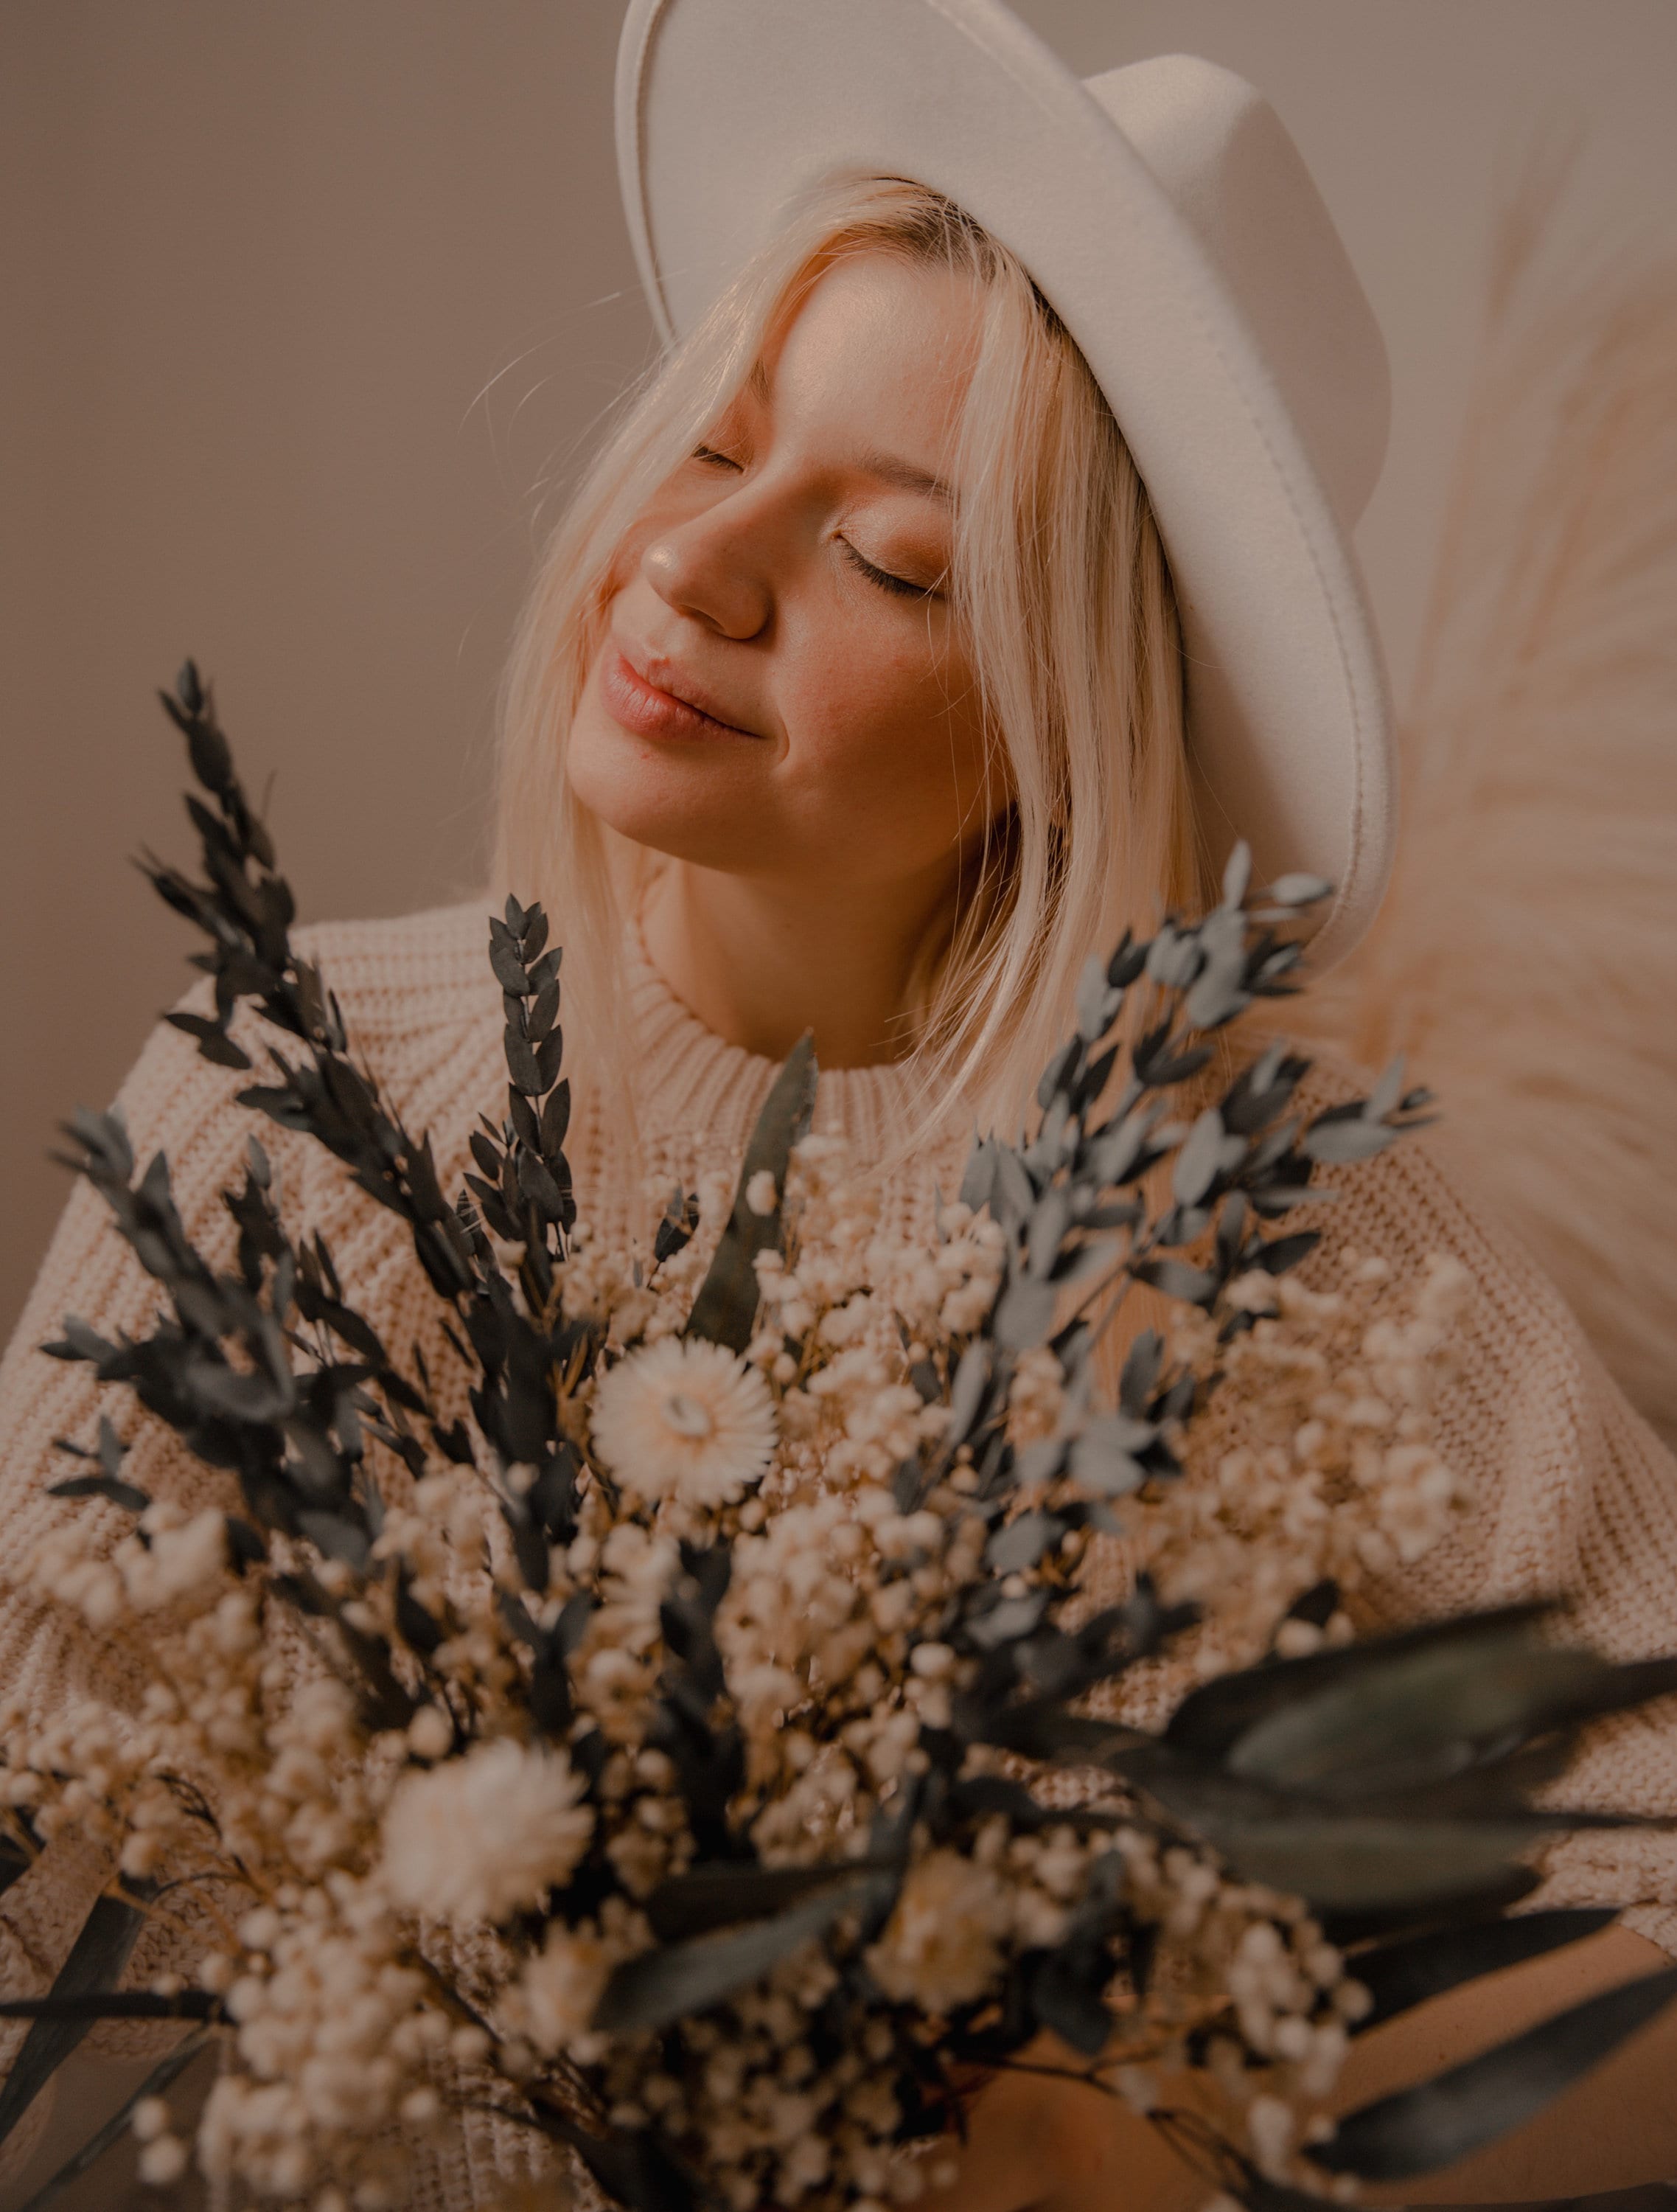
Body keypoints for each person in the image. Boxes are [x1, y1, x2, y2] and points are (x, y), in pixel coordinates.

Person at [2, 3, 1676, 2206]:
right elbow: (41, 1850)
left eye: (892, 558)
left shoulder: (1294, 1237)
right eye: (710, 446)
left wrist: (1157, 2153)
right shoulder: (296, 1109)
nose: (693, 566)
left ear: (1057, 732)